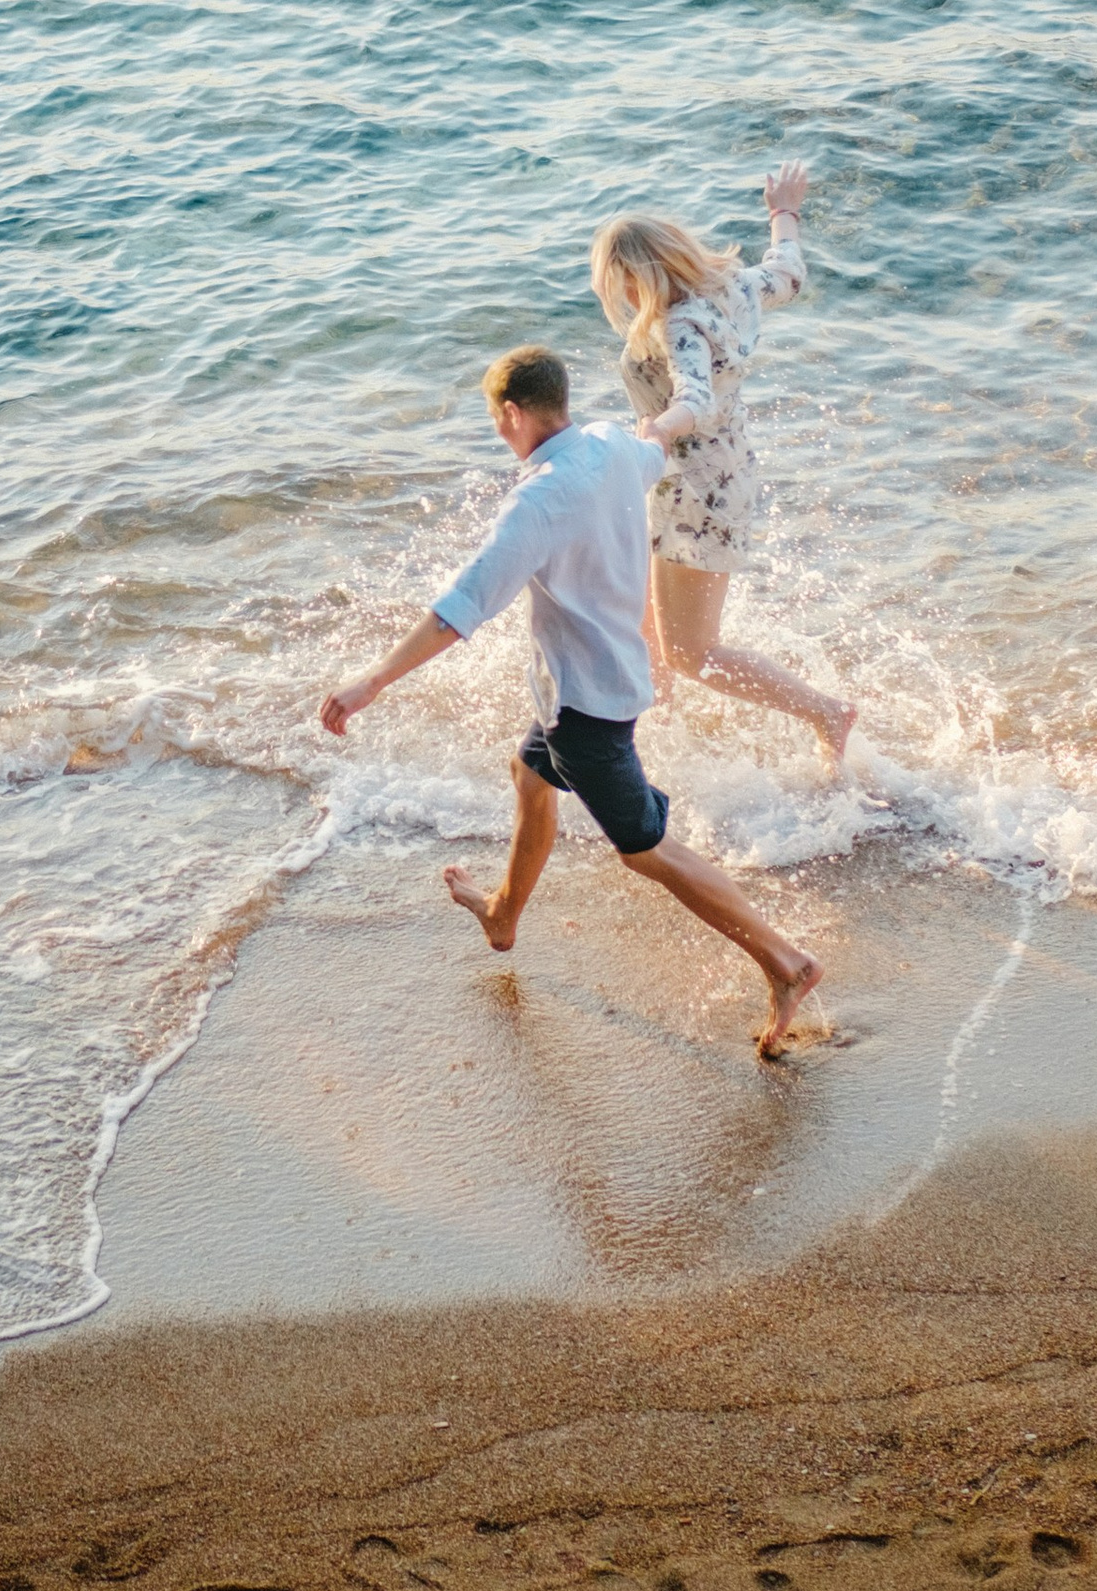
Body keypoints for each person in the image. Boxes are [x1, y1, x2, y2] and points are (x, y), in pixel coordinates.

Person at [317, 344, 825, 1059]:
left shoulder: (537, 502)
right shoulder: (610, 446)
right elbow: (655, 449)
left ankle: (785, 961)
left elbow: (458, 609)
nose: (500, 433)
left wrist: (371, 682)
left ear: (513, 414)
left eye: (496, 422)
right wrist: (678, 414)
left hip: (588, 709)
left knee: (647, 851)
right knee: (529, 774)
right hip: (601, 683)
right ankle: (503, 916)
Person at [592, 158, 854, 765]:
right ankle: (653, 740)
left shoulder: (678, 324)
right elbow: (787, 273)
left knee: (692, 651)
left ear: (636, 277)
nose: (621, 297)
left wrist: (654, 433)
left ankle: (825, 713)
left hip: (695, 488)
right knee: (647, 623)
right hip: (710, 474)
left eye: (618, 283)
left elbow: (695, 399)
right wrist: (783, 212)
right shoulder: (730, 287)